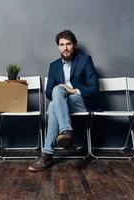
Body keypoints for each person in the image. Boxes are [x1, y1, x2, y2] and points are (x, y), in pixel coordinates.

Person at [28, 30, 99, 172]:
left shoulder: (85, 60)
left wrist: (72, 89)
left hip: (81, 101)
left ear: (74, 45)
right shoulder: (54, 66)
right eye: (62, 44)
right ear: (58, 47)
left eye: (68, 44)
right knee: (55, 99)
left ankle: (47, 155)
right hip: (62, 104)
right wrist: (61, 88)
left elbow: (95, 88)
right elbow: (48, 92)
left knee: (56, 98)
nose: (65, 48)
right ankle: (65, 132)